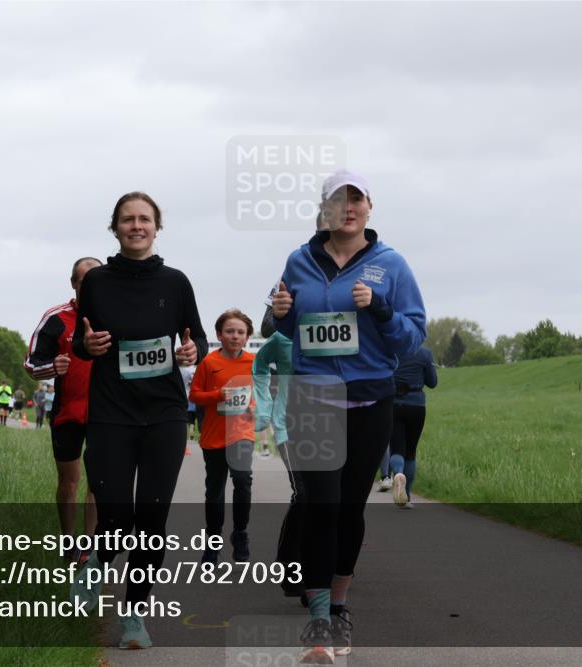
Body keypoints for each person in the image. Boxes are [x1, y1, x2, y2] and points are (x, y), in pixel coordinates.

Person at [271, 169, 426, 662]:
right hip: (313, 398)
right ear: (325, 210)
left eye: (356, 200)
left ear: (369, 207)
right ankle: (319, 617)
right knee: (321, 506)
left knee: (349, 510)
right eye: (338, 201)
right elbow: (282, 325)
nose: (348, 208)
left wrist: (380, 308)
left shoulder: (391, 264)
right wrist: (279, 313)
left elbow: (413, 337)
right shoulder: (299, 260)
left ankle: (339, 605)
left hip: (369, 401)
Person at [70, 191, 207, 650]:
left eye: (144, 219)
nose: (136, 226)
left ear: (156, 227)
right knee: (115, 514)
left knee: (151, 517)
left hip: (164, 412)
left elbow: (197, 337)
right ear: (115, 228)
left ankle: (133, 615)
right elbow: (79, 342)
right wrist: (87, 347)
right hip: (112, 411)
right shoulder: (97, 282)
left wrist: (191, 351)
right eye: (127, 219)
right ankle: (95, 565)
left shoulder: (176, 282)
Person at [25, 257, 103, 564]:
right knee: (69, 481)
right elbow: (32, 364)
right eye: (84, 281)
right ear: (73, 283)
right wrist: (52, 367)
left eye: (96, 280)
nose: (91, 287)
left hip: (105, 414)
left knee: (98, 483)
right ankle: (68, 543)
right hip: (67, 413)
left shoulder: (115, 317)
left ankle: (89, 547)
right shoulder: (56, 318)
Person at [189, 309, 257, 564]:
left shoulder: (253, 362)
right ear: (219, 335)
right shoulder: (209, 363)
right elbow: (194, 395)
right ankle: (213, 541)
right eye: (229, 331)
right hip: (214, 435)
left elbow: (263, 389)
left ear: (247, 337)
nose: (235, 336)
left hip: (242, 432)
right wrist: (218, 395)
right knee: (215, 491)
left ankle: (240, 533)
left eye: (240, 332)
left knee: (242, 479)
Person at [252, 329, 304, 600]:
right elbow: (259, 365)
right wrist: (264, 408)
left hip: (331, 425)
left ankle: (335, 563)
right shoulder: (281, 338)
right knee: (304, 496)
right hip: (288, 427)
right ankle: (291, 567)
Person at [389, 345, 437, 509]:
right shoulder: (424, 353)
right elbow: (432, 382)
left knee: (396, 448)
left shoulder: (391, 349)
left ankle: (398, 473)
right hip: (417, 406)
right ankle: (407, 496)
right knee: (411, 452)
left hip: (393, 404)